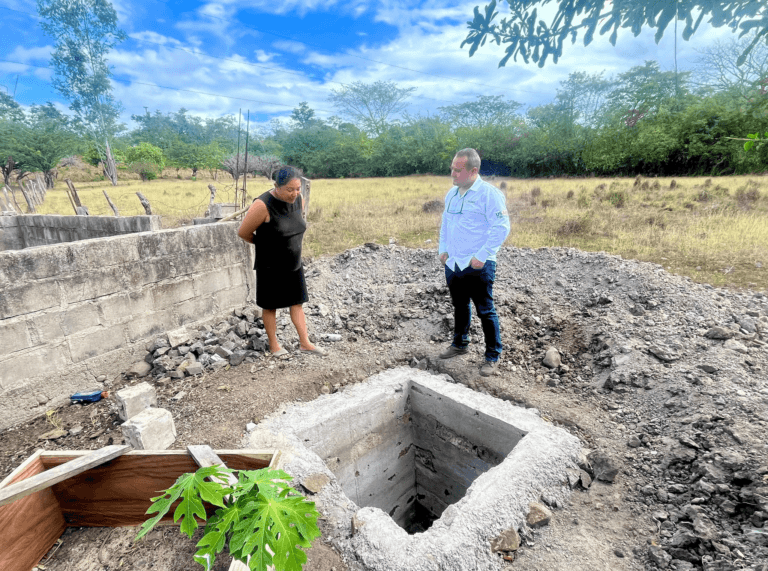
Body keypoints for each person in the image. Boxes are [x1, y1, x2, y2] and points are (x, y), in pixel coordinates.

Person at [237, 166, 326, 357]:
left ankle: (305, 343)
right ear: (277, 186)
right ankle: (274, 345)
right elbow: (243, 233)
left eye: (298, 188)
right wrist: (265, 246)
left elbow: (295, 225)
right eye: (290, 190)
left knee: (297, 303)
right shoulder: (262, 205)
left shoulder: (298, 200)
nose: (295, 193)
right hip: (270, 266)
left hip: (294, 263)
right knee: (270, 306)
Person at [438, 148, 510, 376]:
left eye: (457, 170)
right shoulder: (452, 194)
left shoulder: (489, 194)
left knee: (485, 311)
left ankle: (492, 356)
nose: (452, 174)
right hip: (454, 264)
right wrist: (443, 250)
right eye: (452, 169)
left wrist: (482, 255)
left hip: (478, 264)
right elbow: (445, 225)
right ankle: (460, 344)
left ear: (473, 171)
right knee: (460, 306)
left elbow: (501, 227)